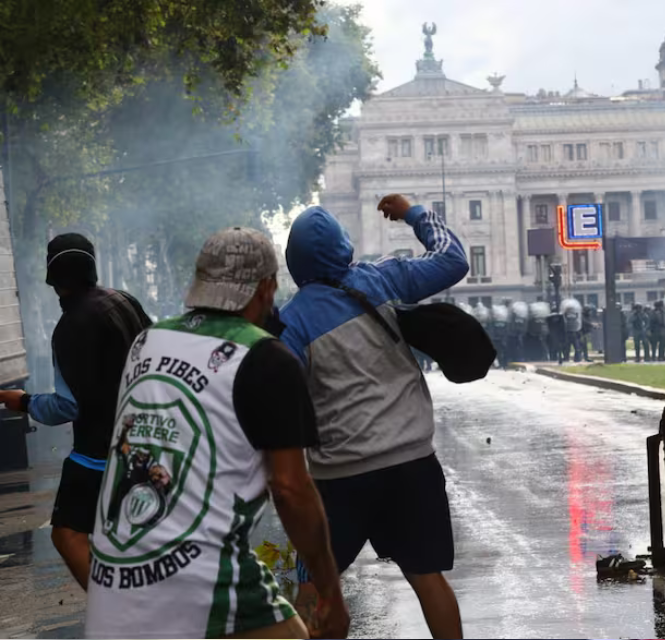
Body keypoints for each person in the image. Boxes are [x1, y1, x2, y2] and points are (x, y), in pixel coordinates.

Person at [84, 228, 348, 640]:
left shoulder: (146, 343)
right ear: (266, 288)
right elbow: (291, 489)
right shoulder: (266, 358)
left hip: (112, 583)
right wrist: (329, 590)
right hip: (199, 585)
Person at [280, 195, 469, 640]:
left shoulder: (291, 322)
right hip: (412, 464)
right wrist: (413, 213)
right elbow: (452, 259)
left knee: (312, 583)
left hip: (340, 478)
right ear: (344, 247)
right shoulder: (385, 279)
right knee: (426, 576)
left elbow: (283, 398)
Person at [0, 234, 151, 591]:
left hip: (100, 452)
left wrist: (23, 401)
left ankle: (114, 618)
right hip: (148, 437)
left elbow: (68, 406)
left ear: (53, 278)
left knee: (67, 535)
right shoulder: (124, 300)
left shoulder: (70, 328)